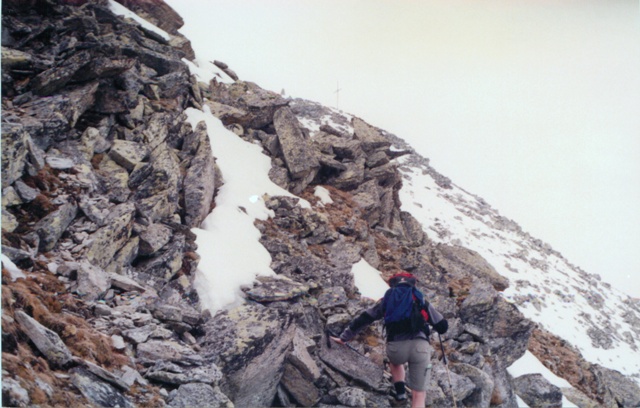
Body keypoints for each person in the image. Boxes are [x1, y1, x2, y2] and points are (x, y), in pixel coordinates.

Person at [330, 271, 448, 408]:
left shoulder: (387, 300)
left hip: (396, 348)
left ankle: (400, 392)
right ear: (412, 283)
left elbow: (365, 318)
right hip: (420, 348)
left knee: (395, 363)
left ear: (393, 284)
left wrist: (344, 338)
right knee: (419, 394)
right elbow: (443, 327)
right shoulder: (419, 299)